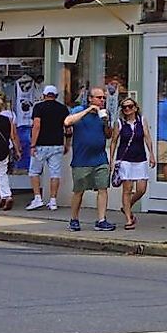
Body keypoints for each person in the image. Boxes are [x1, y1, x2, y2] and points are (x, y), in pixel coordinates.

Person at [64, 86, 114, 231]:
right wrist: (87, 111)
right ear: (90, 98)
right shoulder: (79, 110)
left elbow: (108, 135)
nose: (102, 100)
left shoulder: (105, 113)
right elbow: (67, 122)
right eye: (99, 98)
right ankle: (74, 219)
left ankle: (101, 219)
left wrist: (106, 123)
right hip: (82, 159)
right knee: (79, 190)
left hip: (100, 157)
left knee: (103, 188)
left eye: (104, 98)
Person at [25, 84, 69, 210]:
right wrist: (67, 143)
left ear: (44, 95)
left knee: (34, 172)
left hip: (41, 144)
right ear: (56, 96)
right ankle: (53, 200)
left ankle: (38, 198)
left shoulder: (39, 107)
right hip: (57, 143)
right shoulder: (62, 108)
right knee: (55, 173)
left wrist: (32, 144)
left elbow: (36, 125)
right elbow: (68, 127)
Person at [112, 95, 153, 229]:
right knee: (127, 189)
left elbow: (147, 137)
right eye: (124, 107)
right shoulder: (119, 123)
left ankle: (128, 205)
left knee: (141, 189)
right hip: (125, 159)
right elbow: (114, 141)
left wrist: (151, 154)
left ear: (135, 108)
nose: (127, 109)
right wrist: (112, 159)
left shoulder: (141, 121)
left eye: (130, 106)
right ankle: (129, 219)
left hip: (140, 158)